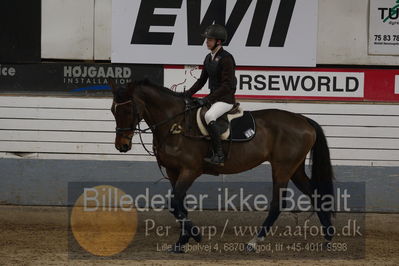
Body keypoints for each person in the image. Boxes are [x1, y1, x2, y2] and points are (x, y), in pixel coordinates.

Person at [183, 24, 237, 166]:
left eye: (210, 40)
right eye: (207, 39)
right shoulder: (208, 58)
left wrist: (207, 99)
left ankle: (219, 154)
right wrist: (187, 94)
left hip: (225, 99)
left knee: (209, 116)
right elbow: (201, 81)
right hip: (214, 98)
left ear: (218, 42)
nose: (207, 42)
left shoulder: (227, 59)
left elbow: (227, 86)